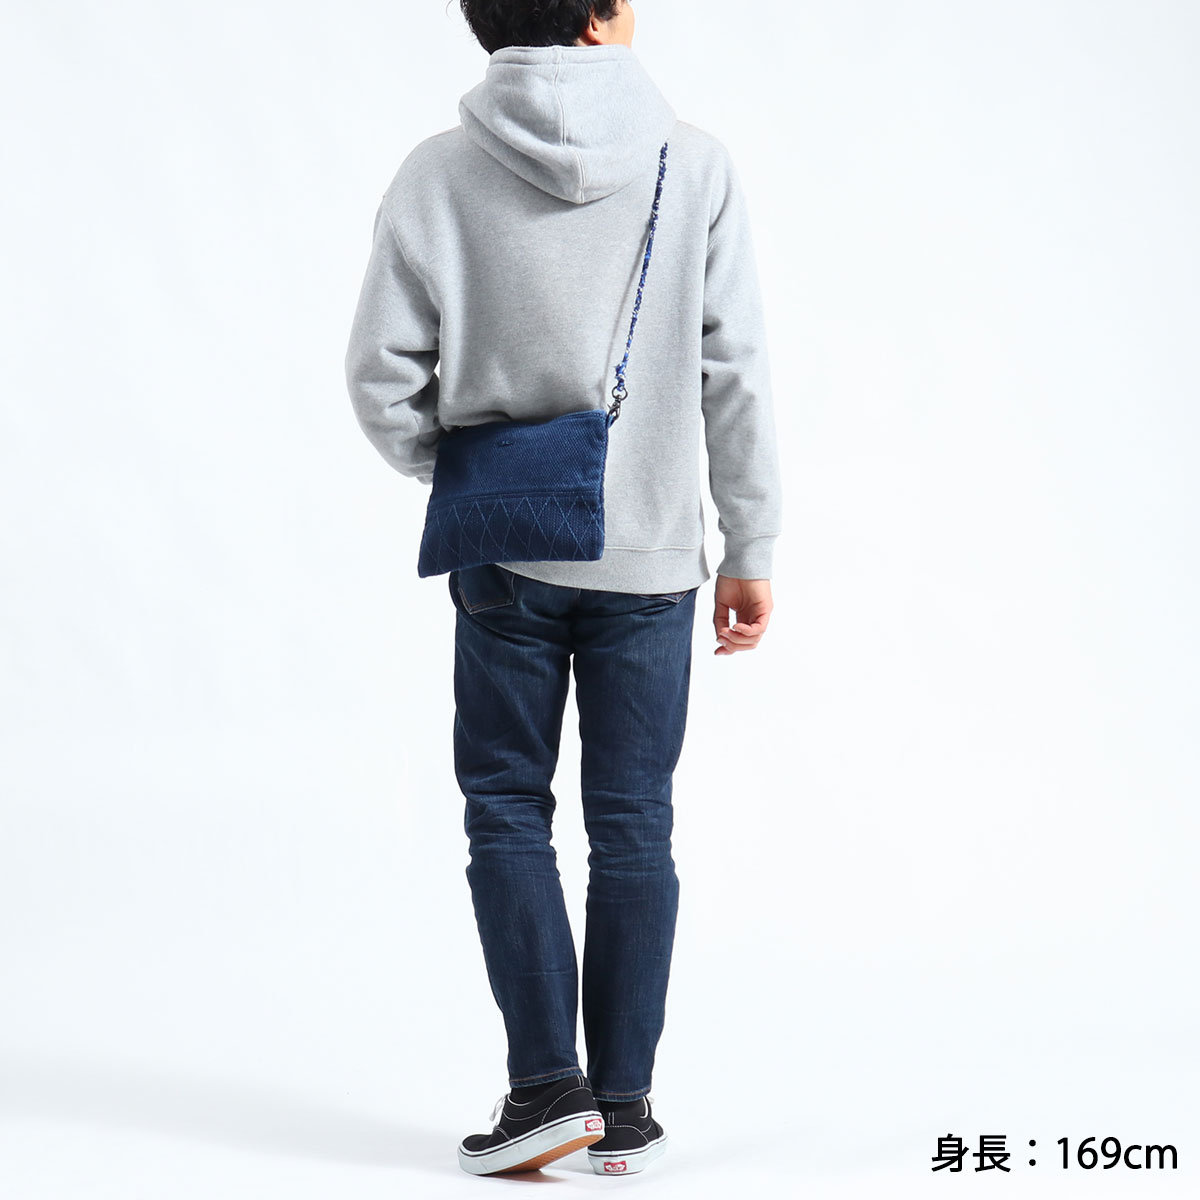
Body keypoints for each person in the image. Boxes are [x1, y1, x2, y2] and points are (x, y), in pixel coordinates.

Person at [343, 0, 782, 1178]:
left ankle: (546, 1088)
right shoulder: (694, 164)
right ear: (597, 15)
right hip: (653, 557)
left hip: (506, 556)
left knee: (506, 808)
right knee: (634, 823)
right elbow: (735, 369)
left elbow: (379, 376)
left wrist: (472, 474)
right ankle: (623, 1110)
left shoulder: (439, 171)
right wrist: (751, 544)